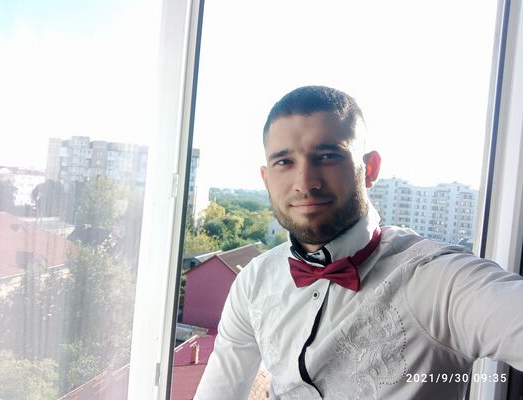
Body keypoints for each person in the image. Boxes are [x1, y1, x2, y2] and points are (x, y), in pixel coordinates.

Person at [194, 86, 523, 399]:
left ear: (370, 169)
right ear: (267, 179)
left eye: (327, 156)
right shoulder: (254, 281)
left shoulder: (437, 280)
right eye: (284, 162)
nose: (305, 183)